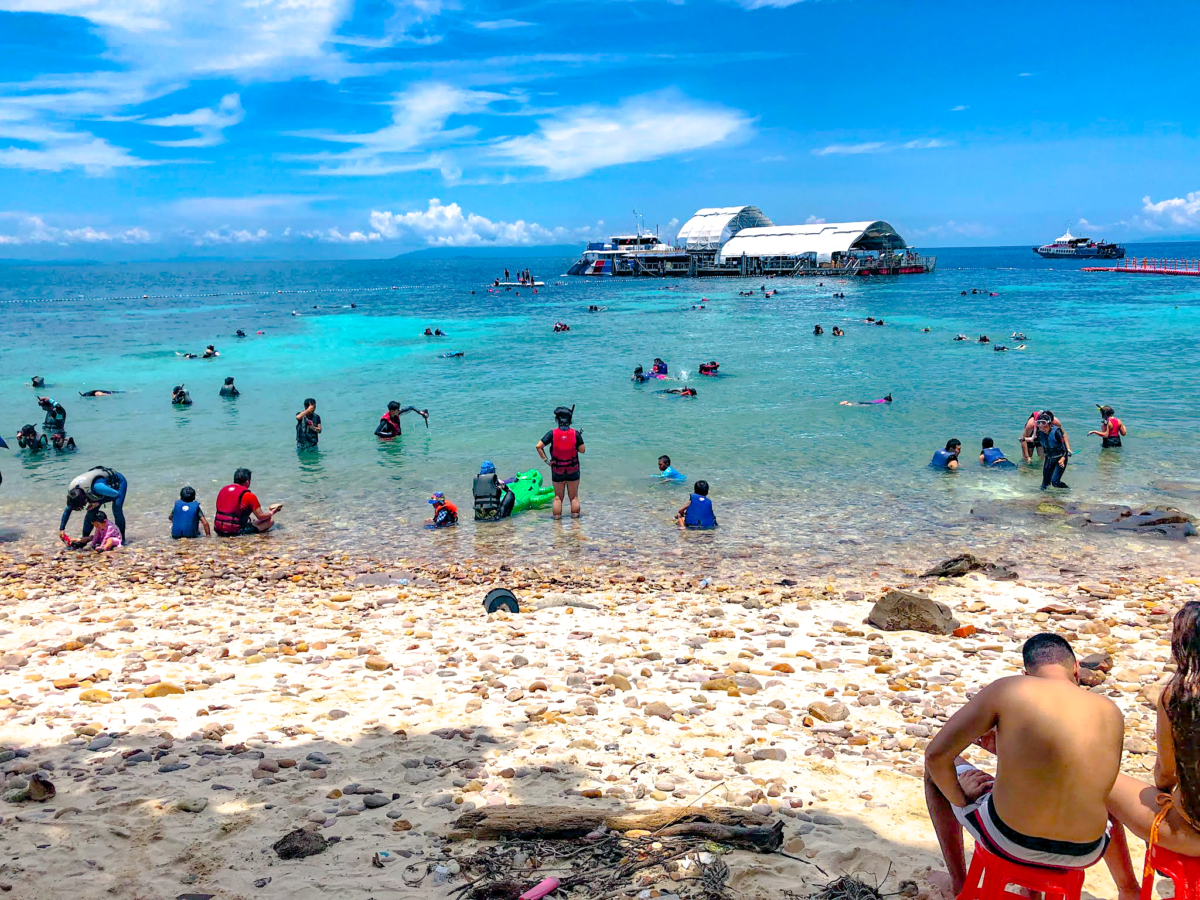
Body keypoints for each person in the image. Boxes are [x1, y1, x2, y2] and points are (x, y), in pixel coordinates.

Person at [924, 633, 1122, 895]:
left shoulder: (1009, 689)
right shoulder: (1110, 711)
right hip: (1086, 850)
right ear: (1075, 668)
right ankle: (1034, 892)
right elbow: (1085, 774)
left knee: (934, 774)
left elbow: (936, 756)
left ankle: (959, 884)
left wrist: (962, 798)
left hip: (1010, 840)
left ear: (1026, 674)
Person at [1103, 602, 1200, 900]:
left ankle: (1128, 890)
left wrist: (1165, 792)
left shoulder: (1177, 695)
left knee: (1101, 783)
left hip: (1193, 833)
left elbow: (1166, 772)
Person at [536, 405, 584, 519]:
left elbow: (538, 446)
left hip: (557, 470)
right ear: (570, 420)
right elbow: (582, 450)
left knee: (558, 498)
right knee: (574, 498)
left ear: (557, 420)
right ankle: (576, 522)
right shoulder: (575, 434)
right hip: (573, 470)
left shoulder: (552, 434)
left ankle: (557, 524)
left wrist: (546, 461)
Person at [61, 466, 127, 542]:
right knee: (90, 513)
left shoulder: (97, 488)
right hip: (97, 490)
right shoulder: (74, 494)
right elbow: (68, 510)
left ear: (85, 499)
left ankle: (122, 539)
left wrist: (98, 502)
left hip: (118, 484)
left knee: (117, 509)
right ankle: (84, 539)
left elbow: (116, 494)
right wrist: (62, 529)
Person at [214, 468, 281, 535]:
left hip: (218, 529)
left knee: (253, 521)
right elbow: (261, 516)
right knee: (270, 521)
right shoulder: (249, 496)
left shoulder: (223, 490)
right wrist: (272, 512)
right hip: (234, 531)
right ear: (247, 482)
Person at [1035, 411, 1071, 489]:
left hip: (1060, 458)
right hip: (1049, 458)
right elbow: (1034, 441)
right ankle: (1041, 498)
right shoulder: (1040, 433)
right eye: (1041, 427)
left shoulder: (1056, 432)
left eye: (1045, 427)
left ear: (1050, 424)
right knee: (1045, 484)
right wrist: (1024, 439)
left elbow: (1064, 449)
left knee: (1055, 482)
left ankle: (1069, 491)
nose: (1043, 429)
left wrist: (1062, 458)